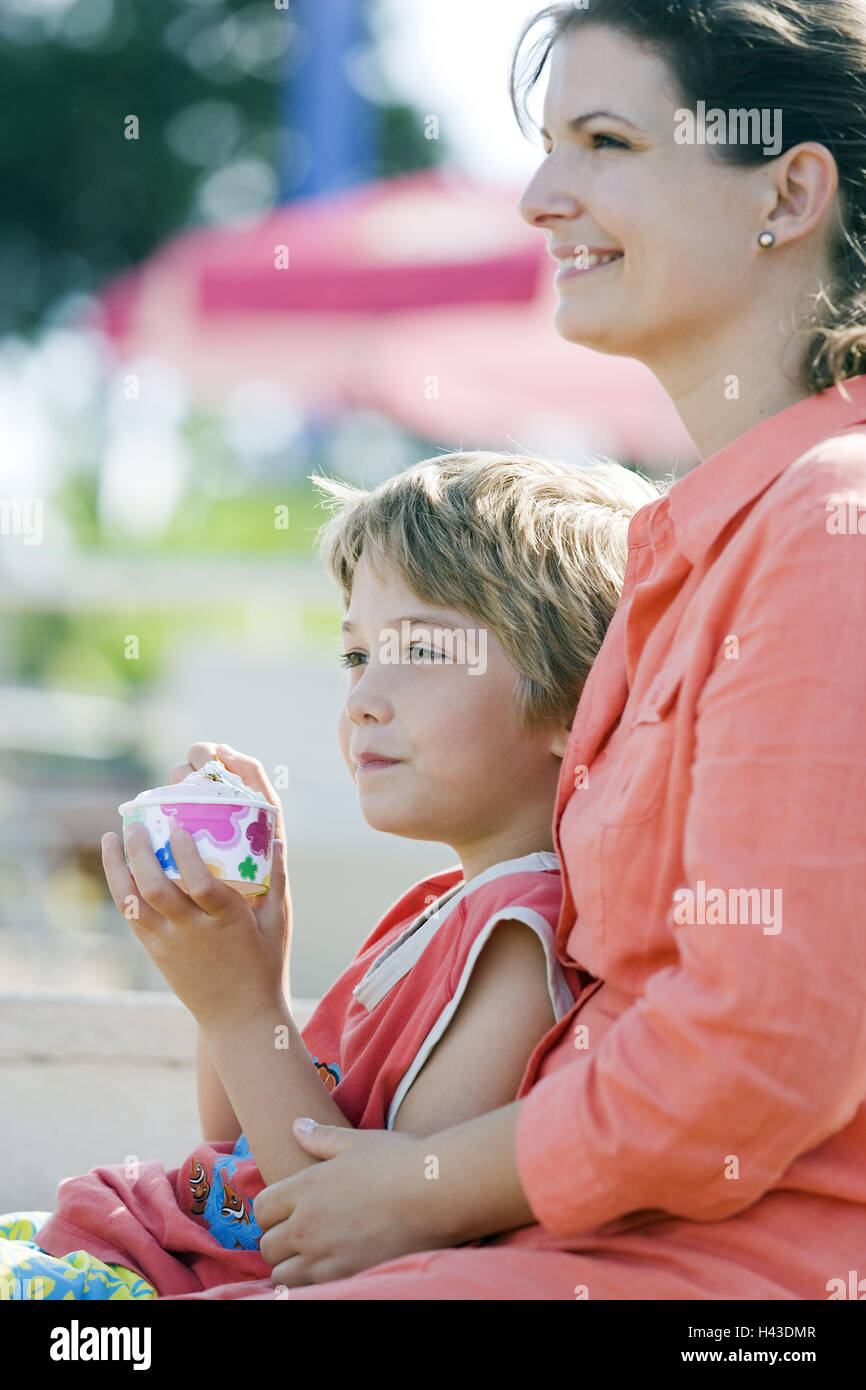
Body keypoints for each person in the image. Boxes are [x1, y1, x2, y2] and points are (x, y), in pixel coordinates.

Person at [155, 0, 866, 1301]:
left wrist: (420, 1188)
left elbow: (768, 1046)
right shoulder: (698, 544)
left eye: (603, 139)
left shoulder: (830, 521)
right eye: (545, 145)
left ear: (787, 189)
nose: (539, 195)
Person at [0, 449, 658, 1299]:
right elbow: (234, 1142)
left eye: (420, 651)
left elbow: (360, 1231)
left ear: (579, 702)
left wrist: (241, 1007)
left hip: (148, 1279)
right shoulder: (443, 909)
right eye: (355, 657)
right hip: (127, 1239)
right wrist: (246, 960)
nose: (361, 700)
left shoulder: (517, 941)